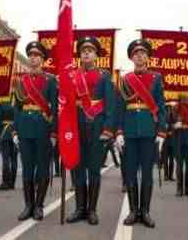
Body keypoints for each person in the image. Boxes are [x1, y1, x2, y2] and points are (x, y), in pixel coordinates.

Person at [116, 39, 167, 228]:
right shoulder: (124, 79)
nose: (139, 55)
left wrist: (161, 133)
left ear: (148, 56)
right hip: (129, 131)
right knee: (130, 173)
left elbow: (161, 107)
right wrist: (119, 132)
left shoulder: (156, 78)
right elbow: (119, 107)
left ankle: (145, 211)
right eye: (136, 53)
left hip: (148, 131)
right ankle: (132, 211)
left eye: (143, 52)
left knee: (147, 173)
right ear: (131, 57)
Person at [66, 36, 116, 226]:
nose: (86, 52)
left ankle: (92, 210)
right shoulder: (72, 76)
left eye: (90, 50)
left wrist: (108, 129)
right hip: (77, 127)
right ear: (80, 54)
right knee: (78, 169)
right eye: (83, 50)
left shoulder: (104, 76)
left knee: (94, 170)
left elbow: (110, 105)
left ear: (96, 55)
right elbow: (66, 104)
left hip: (96, 128)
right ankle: (80, 208)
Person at [14, 41, 58, 220]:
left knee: (42, 169)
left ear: (43, 60)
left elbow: (55, 108)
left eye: (37, 56)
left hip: (43, 129)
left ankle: (39, 205)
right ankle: (28, 205)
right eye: (31, 55)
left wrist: (54, 132)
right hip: (25, 129)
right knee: (27, 169)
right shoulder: (21, 81)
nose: (33, 58)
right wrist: (16, 131)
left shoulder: (50, 80)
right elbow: (17, 107)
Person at [0, 100, 17, 190]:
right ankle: (12, 183)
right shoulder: (18, 102)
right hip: (15, 133)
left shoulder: (3, 103)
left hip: (5, 133)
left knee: (6, 159)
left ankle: (5, 182)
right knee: (14, 159)